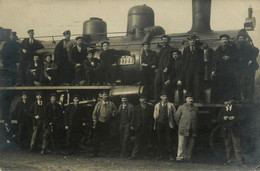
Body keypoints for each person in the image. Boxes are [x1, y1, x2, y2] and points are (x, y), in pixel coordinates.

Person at [218, 99, 246, 167]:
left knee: (237, 146)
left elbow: (243, 117)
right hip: (226, 130)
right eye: (225, 101)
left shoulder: (237, 108)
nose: (227, 102)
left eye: (228, 101)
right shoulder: (222, 109)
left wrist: (234, 117)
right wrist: (223, 118)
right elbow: (218, 119)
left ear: (231, 101)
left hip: (235, 130)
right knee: (228, 146)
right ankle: (229, 161)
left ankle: (239, 162)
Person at [212, 34, 238, 102]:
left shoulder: (232, 49)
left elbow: (236, 58)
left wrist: (229, 58)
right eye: (223, 39)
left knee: (229, 86)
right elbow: (214, 60)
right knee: (220, 85)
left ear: (228, 40)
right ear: (220, 41)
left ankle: (228, 99)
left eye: (226, 39)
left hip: (229, 71)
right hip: (220, 71)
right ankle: (221, 99)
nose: (224, 41)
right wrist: (214, 70)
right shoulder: (218, 49)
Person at [92, 90, 117, 157]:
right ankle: (95, 153)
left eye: (106, 95)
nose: (105, 96)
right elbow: (94, 114)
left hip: (107, 123)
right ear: (102, 96)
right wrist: (95, 121)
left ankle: (107, 153)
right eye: (104, 95)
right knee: (97, 139)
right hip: (100, 123)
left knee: (107, 138)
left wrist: (113, 113)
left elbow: (115, 112)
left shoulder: (111, 104)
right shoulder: (98, 104)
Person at [175, 92, 198, 162]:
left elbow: (196, 118)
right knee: (181, 144)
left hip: (192, 129)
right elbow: (176, 118)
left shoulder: (195, 109)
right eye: (189, 98)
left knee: (190, 145)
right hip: (183, 129)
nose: (191, 100)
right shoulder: (181, 108)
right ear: (186, 99)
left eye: (192, 98)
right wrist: (181, 125)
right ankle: (179, 157)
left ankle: (188, 157)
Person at [236, 33, 259, 102]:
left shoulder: (248, 45)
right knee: (243, 83)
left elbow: (257, 50)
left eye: (241, 38)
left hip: (249, 68)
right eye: (239, 38)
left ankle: (249, 98)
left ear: (244, 39)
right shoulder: (238, 46)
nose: (240, 40)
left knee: (249, 82)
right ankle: (245, 98)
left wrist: (251, 59)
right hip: (242, 68)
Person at [129, 94, 154, 159]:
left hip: (147, 126)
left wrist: (151, 126)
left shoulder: (150, 108)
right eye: (142, 99)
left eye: (144, 99)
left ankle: (145, 155)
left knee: (145, 141)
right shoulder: (136, 107)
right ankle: (134, 155)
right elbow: (133, 117)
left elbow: (152, 118)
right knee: (137, 141)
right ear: (139, 100)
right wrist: (132, 125)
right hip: (138, 127)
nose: (143, 100)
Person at [153, 91, 176, 161]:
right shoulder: (157, 105)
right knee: (160, 140)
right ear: (160, 97)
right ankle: (161, 155)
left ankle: (170, 155)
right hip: (159, 124)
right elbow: (155, 115)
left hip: (167, 125)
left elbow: (175, 114)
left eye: (166, 96)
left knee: (169, 140)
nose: (165, 98)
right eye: (163, 96)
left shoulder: (171, 105)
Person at [182, 35, 204, 102]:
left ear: (195, 41)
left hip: (196, 69)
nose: (192, 41)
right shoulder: (186, 49)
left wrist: (200, 69)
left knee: (197, 84)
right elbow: (184, 59)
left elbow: (201, 60)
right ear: (188, 41)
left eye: (193, 40)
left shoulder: (199, 49)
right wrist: (185, 69)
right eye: (191, 40)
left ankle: (197, 98)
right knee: (188, 83)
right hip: (188, 68)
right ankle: (188, 99)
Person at [154, 35, 173, 100]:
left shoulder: (170, 49)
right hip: (160, 68)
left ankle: (166, 99)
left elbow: (170, 59)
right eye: (163, 39)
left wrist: (167, 67)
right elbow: (158, 59)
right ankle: (157, 99)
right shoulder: (161, 49)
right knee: (157, 83)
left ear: (168, 40)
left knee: (165, 85)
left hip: (166, 69)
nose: (164, 41)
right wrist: (156, 67)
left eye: (166, 39)